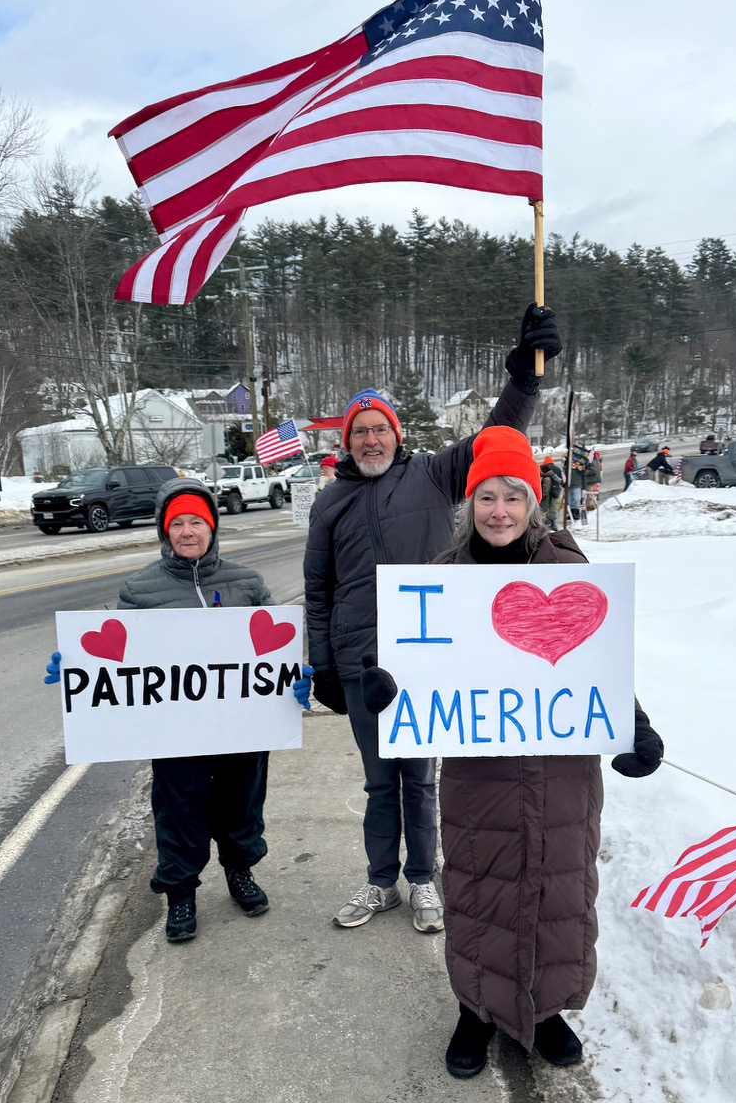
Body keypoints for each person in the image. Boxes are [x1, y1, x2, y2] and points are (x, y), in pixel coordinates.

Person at [359, 426, 664, 1077]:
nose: (500, 509)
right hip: (481, 774)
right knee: (478, 889)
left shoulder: (567, 567)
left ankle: (547, 1010)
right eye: (487, 496)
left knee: (559, 890)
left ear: (533, 503)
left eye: (513, 496)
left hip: (563, 776)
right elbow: (415, 675)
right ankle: (476, 1011)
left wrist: (635, 724)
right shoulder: (442, 580)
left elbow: (599, 665)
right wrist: (387, 686)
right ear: (469, 505)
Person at [303, 304, 562, 933]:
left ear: (396, 435)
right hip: (362, 662)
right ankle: (378, 882)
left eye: (379, 429)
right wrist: (323, 666)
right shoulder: (330, 502)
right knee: (376, 785)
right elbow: (318, 590)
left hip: (424, 653)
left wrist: (524, 380)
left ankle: (422, 880)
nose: (370, 439)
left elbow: (498, 439)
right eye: (359, 430)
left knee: (419, 780)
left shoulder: (431, 475)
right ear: (348, 441)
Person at [45, 478, 276, 944]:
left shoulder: (247, 583)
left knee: (241, 806)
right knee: (179, 813)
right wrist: (77, 666)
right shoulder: (139, 589)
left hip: (240, 728)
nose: (188, 532)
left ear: (213, 527)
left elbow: (275, 653)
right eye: (178, 524)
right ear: (163, 531)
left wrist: (294, 678)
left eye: (197, 522)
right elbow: (124, 661)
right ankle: (180, 894)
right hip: (175, 735)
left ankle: (240, 873)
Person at [539, 456, 562, 529]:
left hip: (548, 499)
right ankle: (553, 526)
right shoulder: (556, 472)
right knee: (552, 510)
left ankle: (552, 527)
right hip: (554, 496)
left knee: (547, 513)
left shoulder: (547, 479)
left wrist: (541, 497)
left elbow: (545, 492)